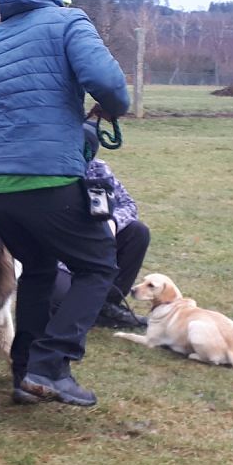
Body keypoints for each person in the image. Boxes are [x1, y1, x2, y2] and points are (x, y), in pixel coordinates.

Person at [0, 0, 130, 407]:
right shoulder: (69, 21)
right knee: (98, 266)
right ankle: (51, 364)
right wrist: (114, 106)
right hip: (47, 177)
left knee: (36, 269)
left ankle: (24, 374)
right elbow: (106, 80)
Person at [52, 122, 150, 330]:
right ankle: (81, 304)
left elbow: (128, 204)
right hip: (58, 258)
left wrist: (112, 222)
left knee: (138, 232)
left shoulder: (99, 169)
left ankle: (107, 305)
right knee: (60, 306)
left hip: (97, 244)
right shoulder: (48, 174)